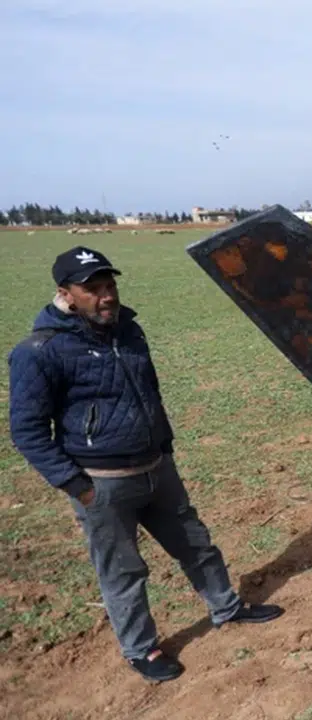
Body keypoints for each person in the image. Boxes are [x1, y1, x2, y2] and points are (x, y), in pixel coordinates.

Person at [6, 246, 284, 683]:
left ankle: (226, 607)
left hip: (157, 467)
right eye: (93, 289)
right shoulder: (40, 351)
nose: (106, 296)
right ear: (65, 293)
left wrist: (164, 446)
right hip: (102, 483)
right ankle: (141, 649)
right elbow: (27, 430)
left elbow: (149, 393)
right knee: (123, 571)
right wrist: (77, 486)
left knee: (196, 544)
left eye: (109, 285)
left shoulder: (129, 331)